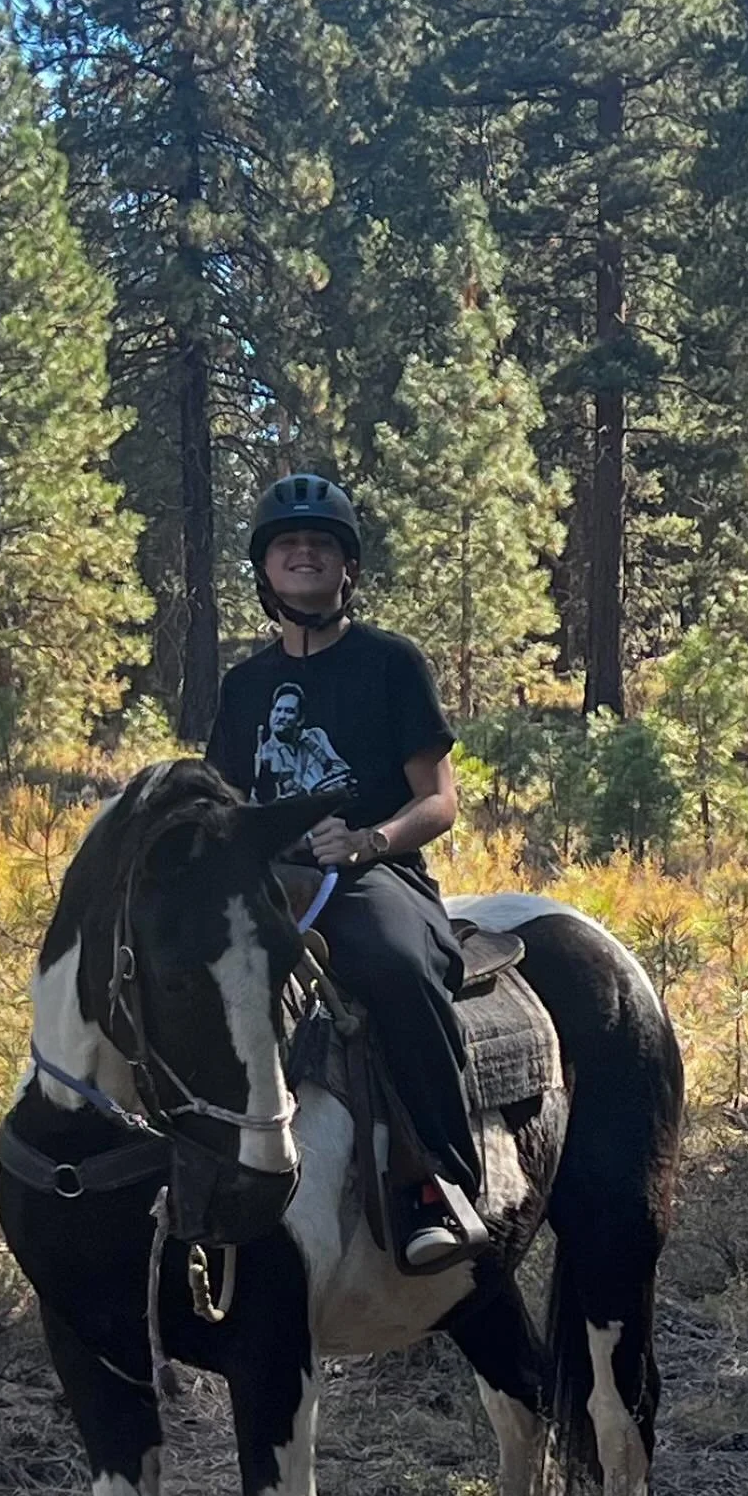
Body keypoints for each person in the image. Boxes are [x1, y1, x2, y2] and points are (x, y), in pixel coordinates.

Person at [205, 472, 483, 1272]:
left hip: (370, 879)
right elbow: (226, 799)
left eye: (320, 543)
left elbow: (438, 799)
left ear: (346, 568)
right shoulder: (244, 685)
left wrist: (369, 841)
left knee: (397, 967)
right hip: (266, 886)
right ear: (265, 570)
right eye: (288, 543)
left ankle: (440, 1181)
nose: (303, 553)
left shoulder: (391, 663)